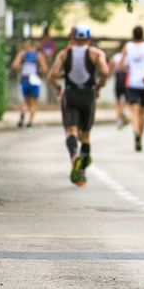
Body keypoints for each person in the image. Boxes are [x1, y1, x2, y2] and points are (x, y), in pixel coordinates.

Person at [48, 24, 109, 186]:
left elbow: (52, 75)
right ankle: (82, 173)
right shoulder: (96, 53)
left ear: (73, 38)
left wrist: (58, 88)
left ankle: (74, 156)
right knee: (86, 135)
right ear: (89, 38)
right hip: (88, 95)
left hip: (70, 94)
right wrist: (99, 85)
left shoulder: (64, 54)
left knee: (71, 130)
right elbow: (105, 71)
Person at [120, 26, 144, 152]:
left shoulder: (127, 47)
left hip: (132, 82)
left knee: (134, 112)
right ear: (143, 34)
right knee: (143, 112)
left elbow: (121, 65)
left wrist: (128, 68)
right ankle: (140, 138)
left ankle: (136, 133)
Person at [11, 41, 48, 128]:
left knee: (25, 100)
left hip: (25, 79)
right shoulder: (39, 55)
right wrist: (37, 71)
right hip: (34, 79)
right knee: (34, 102)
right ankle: (30, 122)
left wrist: (22, 69)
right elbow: (44, 68)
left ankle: (23, 113)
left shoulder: (22, 54)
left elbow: (15, 65)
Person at [109, 44, 129, 128]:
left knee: (118, 99)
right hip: (125, 78)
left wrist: (112, 71)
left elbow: (110, 65)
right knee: (126, 99)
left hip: (118, 77)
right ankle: (122, 113)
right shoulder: (127, 57)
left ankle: (118, 116)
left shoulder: (115, 56)